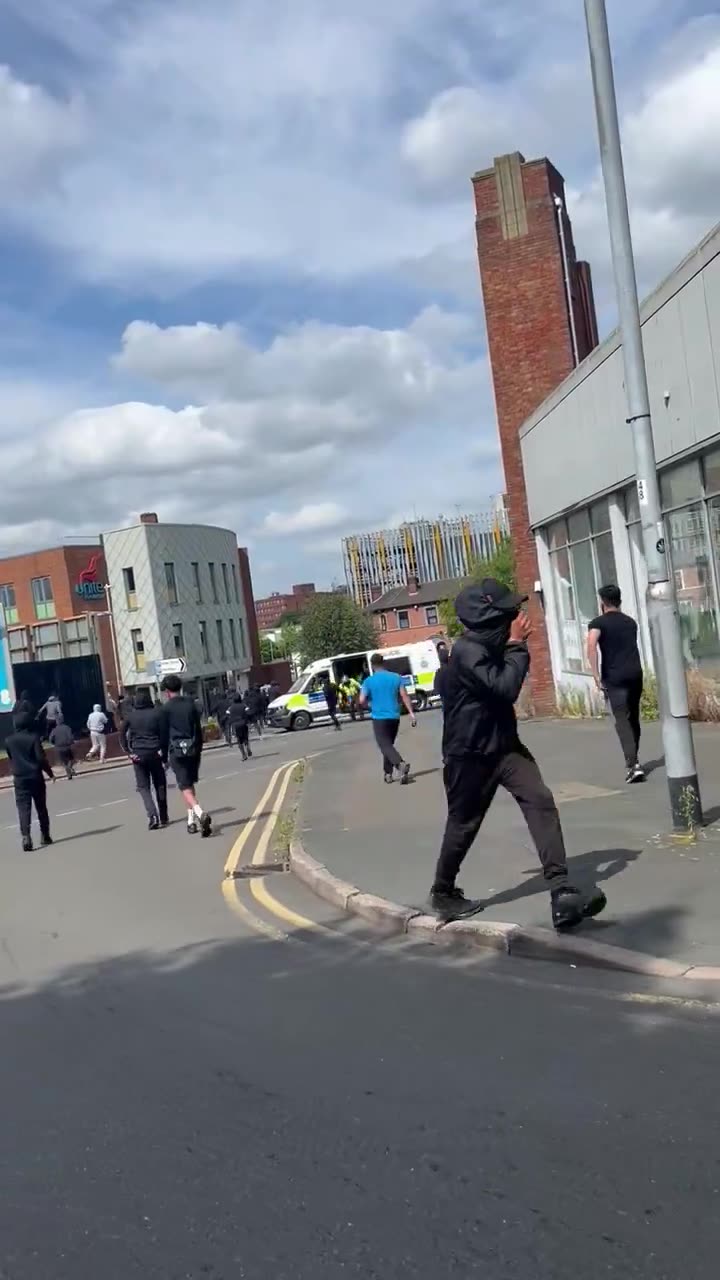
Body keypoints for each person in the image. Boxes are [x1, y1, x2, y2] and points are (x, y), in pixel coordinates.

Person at [428, 579, 607, 929]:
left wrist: (510, 646)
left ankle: (561, 892)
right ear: (490, 618)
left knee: (540, 800)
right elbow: (505, 688)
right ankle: (443, 892)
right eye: (511, 612)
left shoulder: (487, 647)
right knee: (464, 824)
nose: (519, 616)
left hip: (505, 748)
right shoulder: (468, 652)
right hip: (470, 756)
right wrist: (516, 645)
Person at [587, 584, 645, 783]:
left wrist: (596, 676)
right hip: (635, 673)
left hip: (615, 677)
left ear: (602, 602)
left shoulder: (598, 623)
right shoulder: (630, 623)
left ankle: (633, 765)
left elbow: (591, 646)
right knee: (633, 717)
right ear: (619, 600)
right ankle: (634, 759)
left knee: (622, 720)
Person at [159, 674, 212, 836]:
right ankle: (191, 821)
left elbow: (163, 734)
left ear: (167, 691)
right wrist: (199, 747)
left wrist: (164, 756)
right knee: (188, 784)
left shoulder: (166, 709)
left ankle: (200, 812)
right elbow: (198, 727)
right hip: (194, 749)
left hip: (176, 750)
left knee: (184, 786)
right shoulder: (191, 704)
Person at [359, 654, 416, 783]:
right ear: (383, 663)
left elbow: (361, 700)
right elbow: (404, 695)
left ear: (372, 665)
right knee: (388, 745)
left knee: (384, 745)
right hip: (394, 717)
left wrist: (369, 704)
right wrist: (411, 713)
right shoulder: (396, 677)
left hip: (379, 717)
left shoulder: (369, 681)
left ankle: (400, 764)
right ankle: (388, 774)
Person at [5, 712, 55, 851]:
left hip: (19, 778)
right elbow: (40, 758)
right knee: (41, 807)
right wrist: (50, 773)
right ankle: (45, 835)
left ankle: (26, 837)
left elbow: (11, 757)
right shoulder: (33, 738)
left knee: (23, 808)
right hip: (35, 776)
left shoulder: (9, 740)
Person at [120, 689, 169, 830]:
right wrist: (164, 754)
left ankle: (152, 815)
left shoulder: (131, 716)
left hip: (138, 754)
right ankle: (164, 816)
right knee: (160, 784)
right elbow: (164, 735)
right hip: (155, 752)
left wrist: (129, 752)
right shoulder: (157, 714)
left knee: (143, 787)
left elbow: (122, 733)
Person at [227, 693, 253, 761]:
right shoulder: (243, 705)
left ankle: (243, 755)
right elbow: (248, 712)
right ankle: (248, 747)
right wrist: (248, 720)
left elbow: (227, 714)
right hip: (243, 723)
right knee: (245, 738)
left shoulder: (231, 708)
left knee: (239, 741)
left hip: (236, 725)